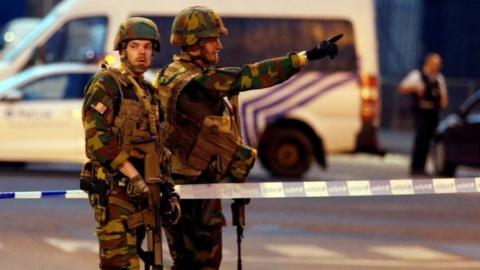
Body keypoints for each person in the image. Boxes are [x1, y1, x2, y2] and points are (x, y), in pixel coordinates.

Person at [154, 6, 340, 270]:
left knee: (186, 262)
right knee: (203, 263)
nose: (219, 45)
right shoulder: (197, 82)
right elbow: (251, 76)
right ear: (193, 43)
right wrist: (305, 57)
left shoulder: (172, 75)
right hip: (194, 191)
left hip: (183, 186)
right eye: (213, 39)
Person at [81, 17, 180, 269]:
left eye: (147, 47)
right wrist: (133, 175)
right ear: (122, 49)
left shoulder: (148, 92)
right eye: (135, 46)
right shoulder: (107, 83)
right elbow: (97, 138)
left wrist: (168, 191)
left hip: (144, 194)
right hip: (115, 192)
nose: (142, 53)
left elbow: (157, 147)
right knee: (121, 265)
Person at [399, 53, 449, 176]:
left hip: (433, 112)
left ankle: (424, 166)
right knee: (421, 137)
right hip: (421, 111)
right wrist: (416, 89)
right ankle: (416, 166)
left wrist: (442, 102)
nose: (438, 66)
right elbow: (402, 87)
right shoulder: (417, 75)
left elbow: (443, 96)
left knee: (430, 140)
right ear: (428, 63)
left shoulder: (439, 78)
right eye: (435, 63)